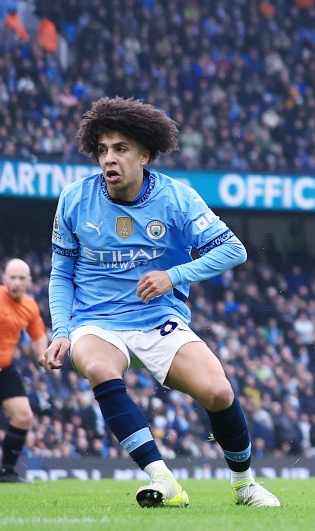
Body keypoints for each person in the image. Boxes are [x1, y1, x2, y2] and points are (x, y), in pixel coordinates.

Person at [42, 97, 280, 508]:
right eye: (102, 150)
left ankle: (244, 485)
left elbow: (233, 250)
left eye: (120, 149)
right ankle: (163, 478)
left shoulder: (176, 198)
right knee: (99, 367)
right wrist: (61, 331)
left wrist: (175, 275)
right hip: (95, 320)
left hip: (158, 318)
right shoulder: (74, 200)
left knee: (219, 392)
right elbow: (61, 274)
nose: (108, 159)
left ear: (145, 154)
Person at [0, 259, 47, 483]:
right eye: (12, 277)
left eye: (21, 278)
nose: (16, 282)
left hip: (5, 368)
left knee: (23, 416)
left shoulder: (30, 306)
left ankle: (7, 471)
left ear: (29, 281)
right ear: (4, 278)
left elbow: (38, 335)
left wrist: (43, 356)